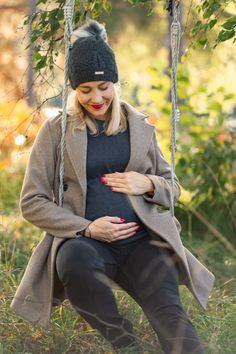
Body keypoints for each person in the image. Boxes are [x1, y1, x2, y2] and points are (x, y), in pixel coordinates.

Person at [10, 19, 215, 354]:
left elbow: (172, 187)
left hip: (143, 241)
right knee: (74, 262)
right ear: (75, 89)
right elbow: (32, 201)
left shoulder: (140, 126)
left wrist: (147, 182)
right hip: (86, 245)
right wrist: (88, 228)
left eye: (103, 87)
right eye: (85, 89)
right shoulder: (56, 132)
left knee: (171, 317)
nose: (96, 97)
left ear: (115, 84)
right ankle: (129, 345)